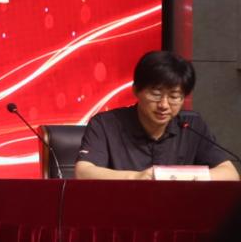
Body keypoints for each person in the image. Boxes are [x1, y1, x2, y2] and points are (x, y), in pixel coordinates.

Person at [75, 51, 239, 180]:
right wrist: (137, 177)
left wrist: (177, 177)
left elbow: (230, 174)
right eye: (156, 94)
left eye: (174, 97)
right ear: (136, 90)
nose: (164, 105)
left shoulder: (191, 125)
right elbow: (83, 172)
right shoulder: (105, 124)